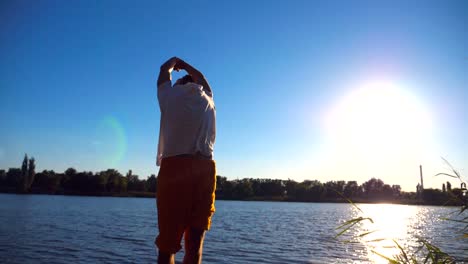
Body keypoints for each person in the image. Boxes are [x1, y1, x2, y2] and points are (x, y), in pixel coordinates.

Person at [155, 57, 216, 264]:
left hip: (176, 169)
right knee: (194, 242)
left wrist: (173, 62)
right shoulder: (207, 97)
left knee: (167, 245)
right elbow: (202, 78)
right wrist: (186, 65)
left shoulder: (169, 96)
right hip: (203, 168)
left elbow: (164, 70)